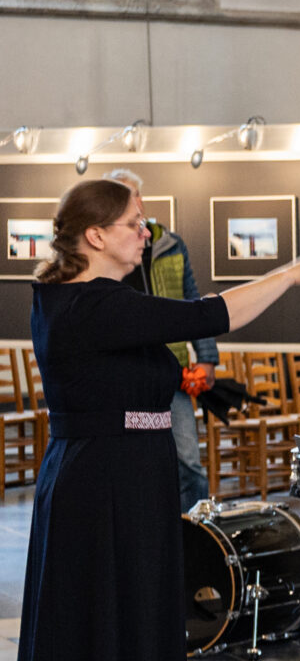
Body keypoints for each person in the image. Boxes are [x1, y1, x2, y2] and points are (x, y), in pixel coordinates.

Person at [9, 179, 300, 661]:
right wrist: (298, 268)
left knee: (133, 639)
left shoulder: (97, 303)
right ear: (93, 236)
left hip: (129, 480)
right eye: (131, 224)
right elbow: (212, 311)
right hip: (103, 489)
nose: (144, 234)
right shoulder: (92, 302)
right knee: (101, 638)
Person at [104, 170, 217, 509]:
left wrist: (207, 356)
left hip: (173, 372)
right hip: (127, 373)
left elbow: (193, 300)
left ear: (141, 201)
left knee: (188, 460)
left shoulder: (172, 244)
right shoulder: (108, 254)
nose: (129, 202)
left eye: (132, 194)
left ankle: (194, 535)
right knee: (133, 461)